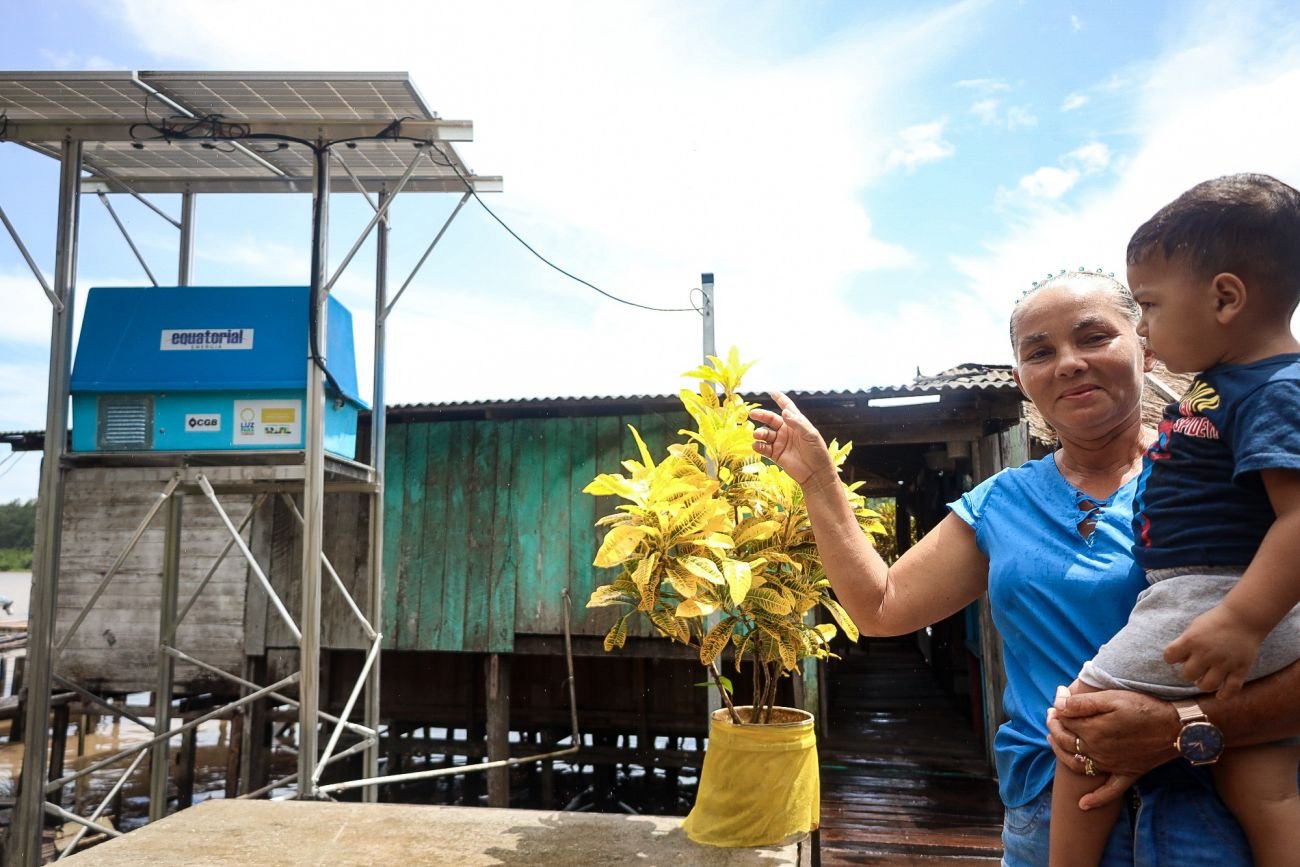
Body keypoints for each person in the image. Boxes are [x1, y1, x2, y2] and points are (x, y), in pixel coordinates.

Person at [749, 268, 1300, 864]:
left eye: (1093, 338)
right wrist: (819, 482)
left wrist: (1176, 727)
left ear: (1144, 346)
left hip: (1209, 822)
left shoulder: (1227, 480)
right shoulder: (1002, 502)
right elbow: (881, 608)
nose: (1068, 363)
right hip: (1049, 822)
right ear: (1021, 380)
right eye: (1040, 351)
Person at [1049, 174, 1300, 867]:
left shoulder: (1278, 389)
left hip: (1213, 595)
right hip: (1227, 601)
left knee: (1079, 725)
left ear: (1225, 296)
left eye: (1151, 305)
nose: (1148, 326)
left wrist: (1243, 620)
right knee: (1263, 776)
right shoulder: (1229, 383)